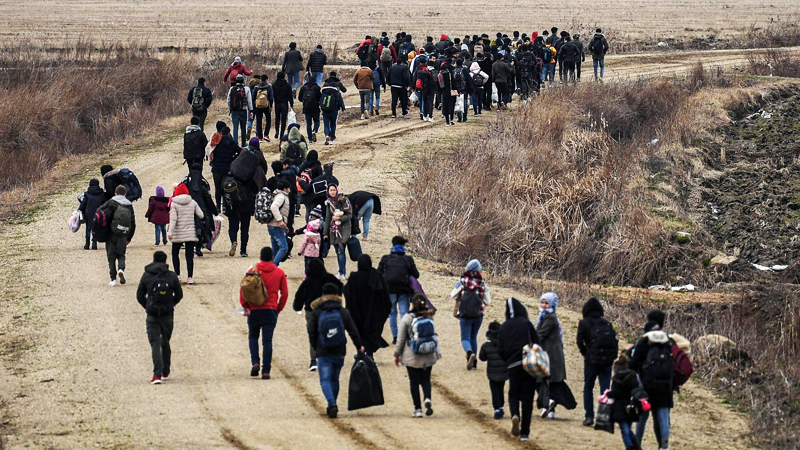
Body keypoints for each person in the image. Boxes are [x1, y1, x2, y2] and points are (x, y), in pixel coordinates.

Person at [307, 282, 363, 418]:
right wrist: (359, 346)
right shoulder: (342, 311)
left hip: (323, 350)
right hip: (339, 349)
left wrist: (315, 346)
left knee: (325, 379)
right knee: (335, 378)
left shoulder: (317, 311)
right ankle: (333, 401)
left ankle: (331, 403)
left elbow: (311, 330)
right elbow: (352, 330)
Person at [240, 247, 289, 380]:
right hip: (270, 310)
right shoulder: (279, 272)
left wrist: (246, 307)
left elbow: (243, 289)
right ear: (273, 258)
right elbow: (284, 293)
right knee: (267, 341)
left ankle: (255, 362)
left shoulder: (252, 271)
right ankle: (266, 371)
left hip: (254, 309)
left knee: (253, 337)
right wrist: (278, 309)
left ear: (260, 257)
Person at [136, 251, 183, 385]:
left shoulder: (146, 275)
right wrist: (170, 304)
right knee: (166, 342)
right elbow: (179, 294)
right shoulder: (171, 276)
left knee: (155, 343)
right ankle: (165, 371)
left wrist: (148, 306)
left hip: (152, 314)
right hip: (167, 314)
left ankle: (156, 375)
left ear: (153, 260)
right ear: (165, 261)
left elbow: (139, 295)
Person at [497, 298, 539, 442]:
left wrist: (508, 361)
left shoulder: (503, 327)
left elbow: (500, 350)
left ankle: (515, 414)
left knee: (513, 394)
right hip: (529, 364)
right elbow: (537, 343)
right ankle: (525, 433)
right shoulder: (527, 324)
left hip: (513, 365)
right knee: (527, 399)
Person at [628, 321, 674, 450]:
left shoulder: (643, 344)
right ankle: (664, 446)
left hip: (646, 388)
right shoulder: (669, 345)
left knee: (642, 418)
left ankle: (637, 443)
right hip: (665, 388)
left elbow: (632, 365)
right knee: (663, 417)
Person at [394, 293, 441, 418]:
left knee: (414, 382)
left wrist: (397, 354)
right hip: (428, 354)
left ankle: (418, 409)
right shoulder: (429, 316)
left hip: (412, 356)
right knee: (426, 380)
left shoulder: (407, 318)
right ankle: (427, 398)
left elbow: (401, 338)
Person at [293, 259, 342, 371]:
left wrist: (297, 306)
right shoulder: (329, 278)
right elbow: (340, 288)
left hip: (311, 311)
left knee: (313, 334)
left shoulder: (308, 281)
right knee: (328, 332)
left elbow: (300, 295)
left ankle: (313, 360)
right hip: (327, 310)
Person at [577, 297, 617, 426]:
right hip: (607, 361)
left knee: (588, 387)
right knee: (605, 388)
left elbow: (579, 342)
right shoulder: (606, 324)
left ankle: (589, 416)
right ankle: (604, 417)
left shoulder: (584, 323)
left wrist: (585, 353)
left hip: (591, 360)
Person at [535, 292, 576, 419]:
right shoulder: (545, 317)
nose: (544, 305)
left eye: (546, 303)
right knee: (550, 383)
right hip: (550, 355)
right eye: (542, 302)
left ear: (552, 304)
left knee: (542, 382)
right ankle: (550, 408)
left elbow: (540, 335)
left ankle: (547, 404)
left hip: (550, 356)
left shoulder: (550, 318)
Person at [343, 254, 392, 358]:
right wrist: (384, 311)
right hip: (374, 313)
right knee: (372, 332)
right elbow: (385, 295)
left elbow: (347, 292)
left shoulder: (354, 277)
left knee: (359, 333)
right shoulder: (376, 276)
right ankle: (368, 354)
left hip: (358, 312)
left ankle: (361, 352)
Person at [378, 236, 420, 345]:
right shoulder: (408, 259)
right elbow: (416, 275)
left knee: (392, 314)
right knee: (404, 314)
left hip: (389, 290)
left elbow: (379, 274)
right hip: (403, 290)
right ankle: (404, 337)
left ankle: (395, 337)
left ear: (392, 245)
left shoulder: (385, 258)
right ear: (403, 246)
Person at [451, 259, 491, 370]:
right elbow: (488, 301)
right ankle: (474, 363)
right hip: (478, 314)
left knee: (465, 338)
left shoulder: (463, 281)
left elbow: (453, 295)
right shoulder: (483, 284)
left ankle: (469, 354)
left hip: (464, 313)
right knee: (473, 337)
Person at [608, 354, 649, 450]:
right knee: (627, 429)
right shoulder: (632, 377)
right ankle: (637, 446)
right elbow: (637, 390)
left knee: (624, 430)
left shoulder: (616, 378)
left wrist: (608, 394)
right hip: (630, 406)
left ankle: (629, 447)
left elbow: (615, 393)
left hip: (618, 408)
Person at [167, 183, 204, 284]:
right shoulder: (193, 203)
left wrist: (170, 233)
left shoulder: (174, 204)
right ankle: (190, 277)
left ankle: (178, 275)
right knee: (189, 255)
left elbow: (173, 220)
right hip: (190, 233)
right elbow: (201, 215)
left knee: (175, 253)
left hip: (178, 233)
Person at [100, 185, 135, 287]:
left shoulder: (110, 202)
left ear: (115, 193)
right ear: (125, 194)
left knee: (111, 257)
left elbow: (101, 213)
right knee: (121, 254)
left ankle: (113, 279)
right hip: (123, 234)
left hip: (110, 233)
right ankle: (121, 269)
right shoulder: (129, 205)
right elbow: (132, 222)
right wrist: (129, 237)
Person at [183, 163, 218, 257]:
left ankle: (190, 247)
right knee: (202, 229)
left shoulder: (186, 181)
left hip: (187, 208)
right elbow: (207, 198)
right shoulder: (203, 182)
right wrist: (214, 211)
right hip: (201, 209)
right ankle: (198, 247)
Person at [479, 321, 509, 420]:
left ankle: (497, 408)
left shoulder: (486, 345)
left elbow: (482, 358)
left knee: (494, 390)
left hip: (492, 372)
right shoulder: (505, 344)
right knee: (501, 388)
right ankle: (501, 405)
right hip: (504, 371)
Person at [322, 185, 352, 280]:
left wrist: (340, 218)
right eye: (331, 190)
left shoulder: (344, 200)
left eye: (334, 190)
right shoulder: (329, 203)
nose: (332, 192)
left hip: (344, 230)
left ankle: (343, 272)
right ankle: (341, 271)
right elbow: (327, 219)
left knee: (341, 251)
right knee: (338, 251)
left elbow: (349, 215)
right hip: (333, 231)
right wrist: (325, 233)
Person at [210, 126, 240, 212]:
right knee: (226, 188)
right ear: (228, 133)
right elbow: (239, 150)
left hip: (216, 169)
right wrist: (234, 158)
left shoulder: (216, 141)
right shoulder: (232, 142)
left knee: (217, 188)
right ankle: (225, 206)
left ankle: (218, 207)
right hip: (227, 169)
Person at [268, 180, 292, 266]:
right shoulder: (281, 197)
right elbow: (274, 207)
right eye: (288, 188)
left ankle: (273, 270)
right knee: (284, 248)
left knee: (275, 249)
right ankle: (273, 268)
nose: (290, 190)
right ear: (285, 189)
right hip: (276, 226)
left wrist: (284, 226)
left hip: (272, 225)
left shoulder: (276, 195)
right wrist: (280, 221)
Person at [78, 178, 106, 250]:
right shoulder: (102, 193)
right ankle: (94, 243)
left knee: (88, 227)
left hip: (89, 213)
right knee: (96, 227)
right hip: (98, 212)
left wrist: (79, 209)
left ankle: (87, 244)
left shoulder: (87, 194)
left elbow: (83, 203)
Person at [227, 74, 253, 147]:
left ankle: (235, 143)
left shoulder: (232, 88)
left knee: (235, 127)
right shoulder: (246, 89)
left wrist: (230, 108)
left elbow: (228, 100)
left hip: (234, 111)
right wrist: (251, 110)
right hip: (243, 110)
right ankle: (243, 143)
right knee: (243, 127)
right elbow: (249, 100)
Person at [298, 76, 321, 143]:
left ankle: (310, 139)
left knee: (308, 123)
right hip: (315, 108)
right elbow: (320, 98)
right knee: (317, 121)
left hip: (306, 108)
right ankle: (314, 130)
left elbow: (300, 98)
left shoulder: (303, 88)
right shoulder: (317, 88)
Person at [272, 72, 293, 140]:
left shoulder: (274, 85)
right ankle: (281, 134)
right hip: (284, 103)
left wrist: (271, 103)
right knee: (283, 119)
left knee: (277, 118)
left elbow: (272, 95)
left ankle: (277, 131)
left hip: (277, 103)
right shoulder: (287, 85)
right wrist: (291, 104)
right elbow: (290, 95)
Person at [252, 75, 274, 142]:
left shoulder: (256, 87)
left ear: (260, 79)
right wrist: (271, 105)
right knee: (268, 120)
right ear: (266, 79)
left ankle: (260, 137)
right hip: (266, 105)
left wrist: (253, 106)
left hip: (258, 106)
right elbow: (271, 97)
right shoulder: (269, 87)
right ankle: (266, 135)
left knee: (259, 121)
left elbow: (253, 97)